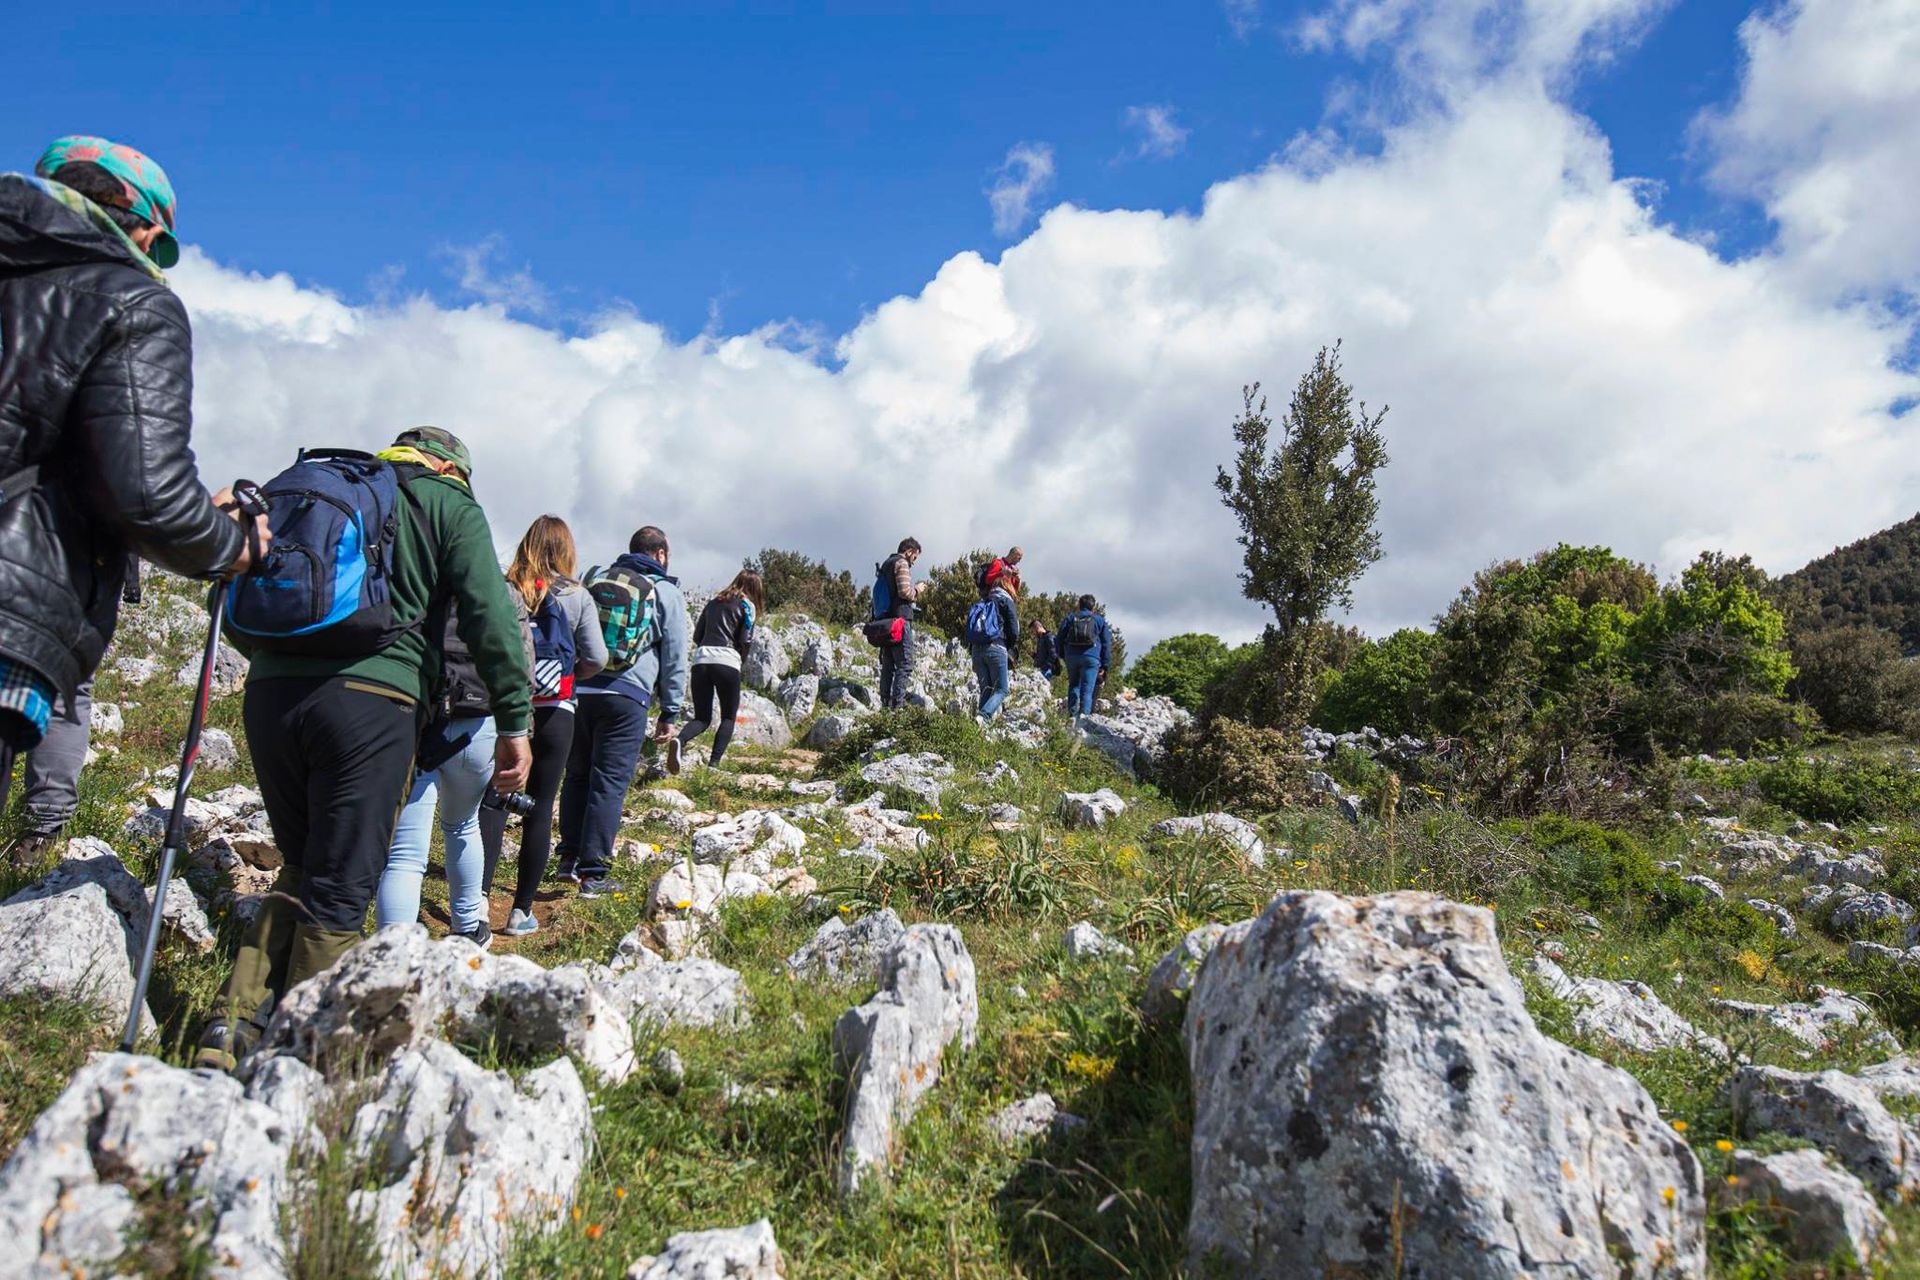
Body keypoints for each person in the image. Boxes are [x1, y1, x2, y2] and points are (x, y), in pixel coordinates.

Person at [195, 427, 531, 1072]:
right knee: (345, 882)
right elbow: (490, 616)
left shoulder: (319, 494)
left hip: (271, 695)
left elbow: (230, 597)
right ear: (451, 466)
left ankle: (231, 1028)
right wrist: (515, 721)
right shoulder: (447, 500)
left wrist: (282, 663)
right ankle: (303, 1060)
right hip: (373, 705)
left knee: (302, 861)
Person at [0, 136, 267, 828]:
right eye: (162, 239)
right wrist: (235, 546)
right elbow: (147, 497)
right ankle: (46, 822)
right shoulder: (128, 300)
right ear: (138, 218)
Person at [375, 586, 535, 951]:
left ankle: (391, 953)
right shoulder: (501, 589)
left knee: (404, 852)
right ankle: (467, 929)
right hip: (479, 724)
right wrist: (521, 730)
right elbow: (523, 663)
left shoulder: (412, 573)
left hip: (415, 719)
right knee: (462, 825)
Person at [480, 515, 606, 937]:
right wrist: (570, 674)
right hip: (557, 710)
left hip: (506, 708)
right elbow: (598, 657)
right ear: (566, 550)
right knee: (539, 808)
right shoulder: (577, 596)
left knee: (495, 801)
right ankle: (520, 911)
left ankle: (476, 901)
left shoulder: (510, 585)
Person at [557, 526, 689, 898]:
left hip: (579, 688)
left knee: (577, 774)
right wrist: (671, 710)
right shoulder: (666, 592)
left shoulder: (595, 576)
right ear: (661, 554)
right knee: (609, 781)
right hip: (626, 696)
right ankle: (594, 873)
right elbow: (675, 656)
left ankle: (567, 858)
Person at [678, 570, 764, 769]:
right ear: (754, 590)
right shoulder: (747, 605)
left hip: (701, 660)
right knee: (728, 716)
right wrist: (739, 660)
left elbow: (697, 635)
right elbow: (745, 640)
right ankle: (714, 764)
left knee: (702, 717)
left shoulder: (714, 601)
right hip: (727, 661)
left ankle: (680, 740)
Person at [873, 537, 923, 710]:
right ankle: (898, 706)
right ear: (909, 552)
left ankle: (885, 703)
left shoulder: (887, 564)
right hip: (900, 622)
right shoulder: (902, 563)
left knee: (888, 665)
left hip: (885, 622)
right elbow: (904, 592)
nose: (913, 562)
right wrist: (918, 589)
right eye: (915, 557)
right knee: (905, 664)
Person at [967, 574, 1021, 722]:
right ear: (1007, 587)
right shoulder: (1006, 600)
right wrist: (1010, 646)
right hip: (996, 648)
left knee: (986, 689)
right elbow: (1014, 630)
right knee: (1002, 689)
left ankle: (979, 725)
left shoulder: (983, 601)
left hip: (976, 650)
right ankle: (983, 716)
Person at [1056, 594, 1112, 718]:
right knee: (1087, 690)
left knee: (1074, 685)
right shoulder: (1099, 620)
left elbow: (1059, 638)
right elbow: (1106, 643)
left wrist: (1062, 655)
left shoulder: (1070, 618)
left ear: (1079, 605)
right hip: (1091, 657)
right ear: (1094, 606)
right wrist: (1105, 665)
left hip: (1072, 657)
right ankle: (1083, 720)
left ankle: (1071, 716)